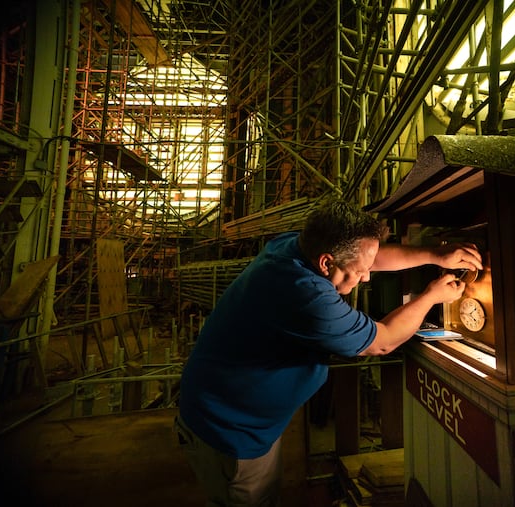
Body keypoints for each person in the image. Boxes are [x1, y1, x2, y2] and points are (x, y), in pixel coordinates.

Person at [175, 199, 482, 506]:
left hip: (241, 414)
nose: (366, 277)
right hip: (230, 429)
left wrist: (435, 254)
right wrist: (432, 295)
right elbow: (383, 341)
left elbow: (369, 258)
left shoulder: (295, 247)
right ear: (326, 263)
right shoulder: (306, 296)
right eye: (360, 271)